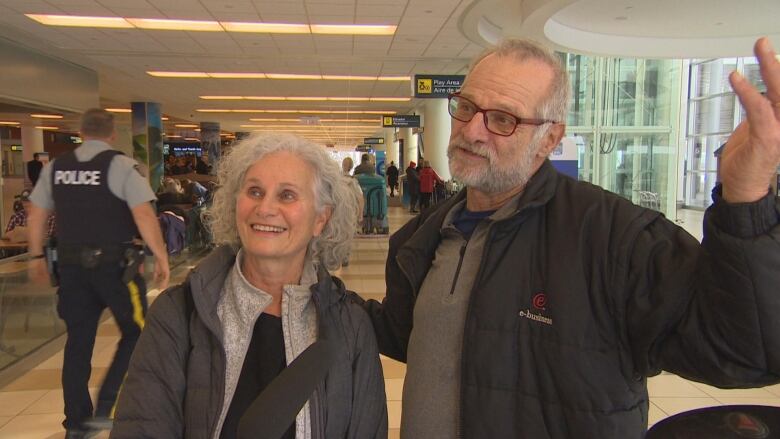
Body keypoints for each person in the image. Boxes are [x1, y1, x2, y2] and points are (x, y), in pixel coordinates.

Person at [357, 38, 780, 438]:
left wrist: (746, 205)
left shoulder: (615, 237)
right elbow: (408, 333)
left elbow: (744, 351)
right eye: (466, 107)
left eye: (503, 119)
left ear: (550, 139)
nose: (472, 131)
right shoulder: (424, 237)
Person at [110, 133, 387, 438]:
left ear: (321, 219)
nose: (265, 208)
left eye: (287, 195)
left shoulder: (350, 327)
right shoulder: (179, 315)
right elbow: (141, 426)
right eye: (254, 191)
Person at [27, 108, 171, 439]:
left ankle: (76, 423)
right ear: (111, 135)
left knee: (78, 342)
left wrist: (35, 256)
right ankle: (107, 407)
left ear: (81, 132)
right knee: (137, 333)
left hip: (71, 269)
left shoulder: (56, 168)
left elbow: (37, 213)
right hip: (114, 267)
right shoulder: (119, 166)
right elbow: (144, 215)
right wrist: (161, 256)